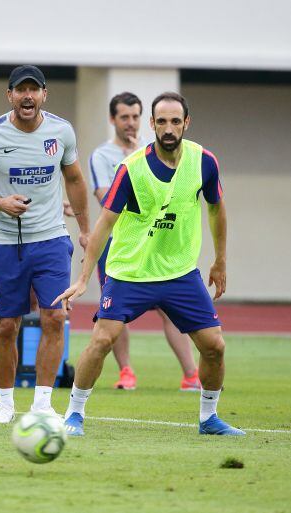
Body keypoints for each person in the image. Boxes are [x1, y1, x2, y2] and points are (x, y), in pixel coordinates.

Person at [54, 92, 245, 437]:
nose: (168, 128)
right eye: (161, 122)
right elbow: (104, 224)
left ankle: (208, 418)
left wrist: (219, 261)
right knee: (102, 340)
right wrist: (83, 278)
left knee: (214, 346)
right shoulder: (131, 169)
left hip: (180, 272)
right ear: (151, 125)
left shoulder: (204, 162)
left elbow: (217, 208)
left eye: (175, 121)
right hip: (130, 271)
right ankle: (73, 414)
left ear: (186, 123)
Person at [0, 65, 90, 423]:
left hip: (51, 239)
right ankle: (5, 404)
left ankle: (42, 404)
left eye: (33, 90)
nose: (27, 96)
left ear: (43, 95)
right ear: (10, 96)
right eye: (20, 90)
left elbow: (75, 180)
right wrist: (0, 202)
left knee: (54, 317)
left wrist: (84, 229)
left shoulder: (61, 131)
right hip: (6, 243)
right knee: (7, 325)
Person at [89, 92, 201, 391]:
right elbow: (106, 200)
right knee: (115, 316)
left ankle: (191, 374)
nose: (130, 122)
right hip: (122, 248)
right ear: (113, 119)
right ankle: (126, 371)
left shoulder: (157, 150)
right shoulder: (104, 157)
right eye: (124, 117)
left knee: (169, 309)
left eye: (135, 116)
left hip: (161, 244)